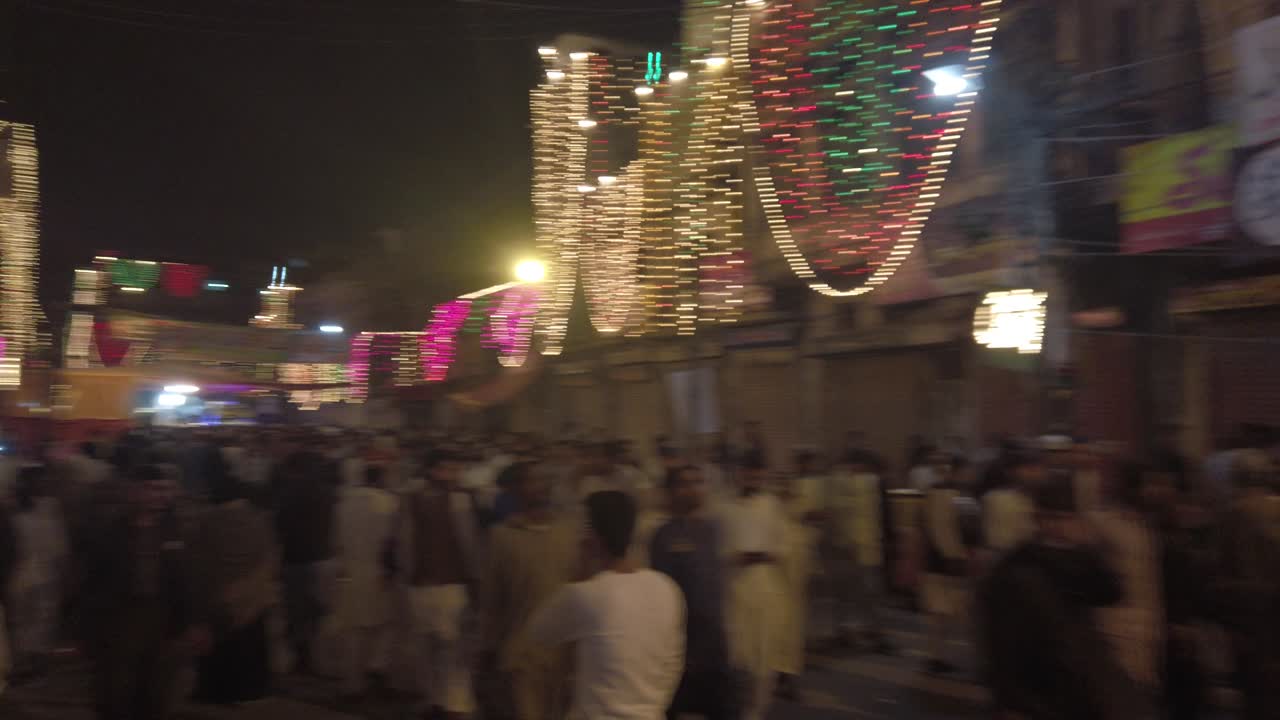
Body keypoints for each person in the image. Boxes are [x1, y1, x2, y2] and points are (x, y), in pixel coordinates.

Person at [979, 478, 1132, 720]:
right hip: (1038, 697)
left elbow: (1111, 593)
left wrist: (1086, 547)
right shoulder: (1015, 569)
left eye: (1065, 518)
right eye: (1051, 517)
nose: (1059, 527)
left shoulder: (1078, 561)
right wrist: (1010, 703)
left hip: (1080, 691)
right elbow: (1002, 642)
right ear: (1038, 520)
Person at [526, 490, 684, 720]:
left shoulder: (585, 595)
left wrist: (579, 572)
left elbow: (539, 632)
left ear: (592, 537)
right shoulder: (666, 588)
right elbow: (673, 663)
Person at [79, 464, 198, 720]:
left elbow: (183, 578)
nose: (158, 495)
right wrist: (90, 630)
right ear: (134, 492)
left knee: (156, 686)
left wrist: (186, 622)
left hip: (160, 618)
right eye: (151, 489)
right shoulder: (111, 531)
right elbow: (93, 582)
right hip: (121, 618)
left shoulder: (173, 529)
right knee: (116, 686)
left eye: (162, 490)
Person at [477, 460, 577, 720]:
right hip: (521, 654)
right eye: (531, 480)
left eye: (544, 480)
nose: (540, 486)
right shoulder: (501, 537)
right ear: (515, 489)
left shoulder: (568, 533)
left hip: (564, 655)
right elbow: (492, 600)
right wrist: (488, 649)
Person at [189, 450, 278, 705]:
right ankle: (251, 689)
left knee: (220, 652)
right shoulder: (258, 520)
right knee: (248, 649)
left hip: (220, 597)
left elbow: (198, 563)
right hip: (253, 597)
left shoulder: (206, 522)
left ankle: (216, 692)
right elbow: (270, 554)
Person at [651, 466, 735, 720]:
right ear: (670, 492)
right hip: (681, 647)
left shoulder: (713, 530)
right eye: (685, 483)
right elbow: (663, 596)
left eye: (698, 482)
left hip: (715, 645)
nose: (694, 489)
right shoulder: (663, 536)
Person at [403, 449, 479, 719]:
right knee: (427, 649)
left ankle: (455, 705)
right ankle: (435, 699)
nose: (453, 475)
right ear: (432, 470)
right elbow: (405, 543)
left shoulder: (459, 500)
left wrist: (473, 580)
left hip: (451, 586)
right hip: (423, 586)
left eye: (455, 470)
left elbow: (468, 546)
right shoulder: (412, 499)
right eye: (448, 469)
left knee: (453, 650)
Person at [720, 454, 788, 720]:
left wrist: (765, 554)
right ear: (738, 473)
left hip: (765, 586)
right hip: (734, 588)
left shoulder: (772, 504)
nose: (753, 478)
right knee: (737, 653)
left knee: (764, 653)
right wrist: (735, 556)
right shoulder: (724, 507)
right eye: (748, 473)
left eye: (758, 474)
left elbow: (784, 544)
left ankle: (757, 711)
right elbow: (718, 547)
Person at [270, 436, 339, 674]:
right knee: (318, 610)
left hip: (296, 560)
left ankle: (303, 658)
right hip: (323, 557)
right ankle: (319, 657)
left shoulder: (289, 494)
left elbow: (278, 527)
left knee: (297, 612)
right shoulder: (329, 493)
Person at [333, 464, 400, 700]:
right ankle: (376, 668)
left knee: (354, 629)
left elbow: (336, 539)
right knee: (382, 625)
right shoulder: (389, 503)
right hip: (378, 572)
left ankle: (352, 681)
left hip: (350, 571)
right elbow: (390, 542)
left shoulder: (344, 502)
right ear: (381, 478)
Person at [821, 452, 891, 653]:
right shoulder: (843, 482)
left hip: (861, 547)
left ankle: (862, 631)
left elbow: (869, 516)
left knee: (862, 592)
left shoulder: (865, 483)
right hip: (851, 548)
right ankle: (861, 632)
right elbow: (839, 515)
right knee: (855, 591)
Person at [7, 464, 68, 679]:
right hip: (23, 572)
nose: (44, 483)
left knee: (41, 618)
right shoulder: (14, 509)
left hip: (41, 571)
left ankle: (33, 659)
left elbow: (58, 541)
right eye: (40, 480)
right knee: (25, 619)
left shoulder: (50, 506)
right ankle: (24, 661)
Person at [775, 450, 825, 697]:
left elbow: (815, 525)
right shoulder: (771, 506)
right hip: (775, 581)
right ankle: (776, 672)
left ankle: (789, 673)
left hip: (796, 577)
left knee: (793, 625)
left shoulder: (802, 502)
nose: (785, 486)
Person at [921, 457, 970, 674]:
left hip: (936, 560)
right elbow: (945, 530)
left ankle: (936, 656)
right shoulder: (951, 495)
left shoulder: (933, 493)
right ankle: (937, 657)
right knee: (949, 612)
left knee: (939, 613)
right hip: (948, 561)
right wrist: (955, 556)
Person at [982, 452, 1042, 554]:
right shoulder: (998, 499)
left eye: (1037, 468)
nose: (1036, 472)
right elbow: (1001, 541)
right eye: (1029, 468)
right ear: (1012, 472)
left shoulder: (1037, 498)